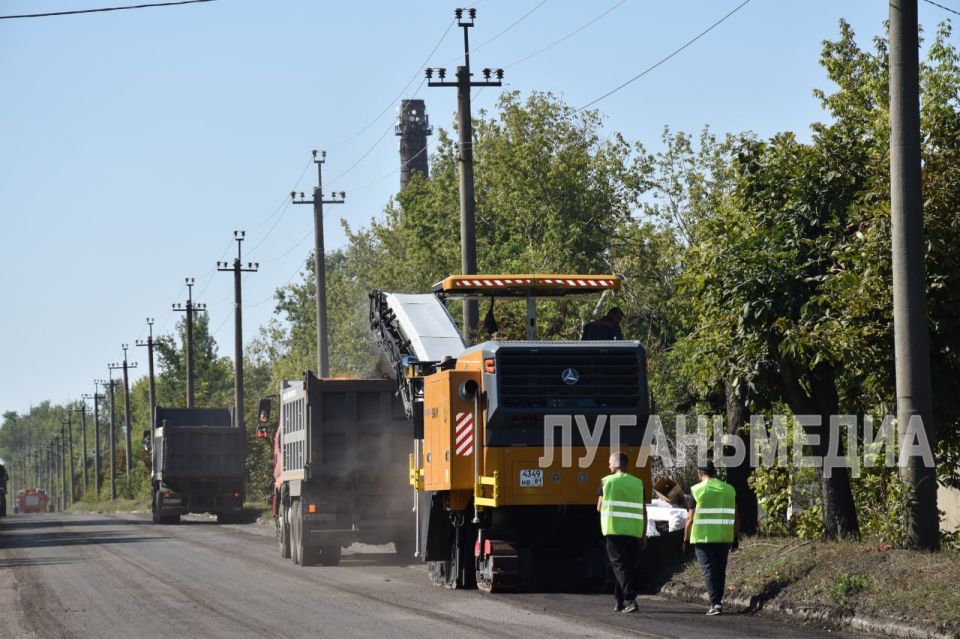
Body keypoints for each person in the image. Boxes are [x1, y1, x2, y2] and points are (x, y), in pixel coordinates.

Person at [684, 461, 739, 616]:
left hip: (703, 537)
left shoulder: (696, 490)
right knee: (720, 570)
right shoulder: (729, 489)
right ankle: (718, 602)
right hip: (724, 537)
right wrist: (735, 536)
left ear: (700, 473)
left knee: (709, 570)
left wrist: (685, 539)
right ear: (715, 472)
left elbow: (690, 518)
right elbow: (736, 514)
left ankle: (715, 603)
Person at [597, 452, 647, 613]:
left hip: (614, 529)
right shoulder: (638, 483)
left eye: (609, 462)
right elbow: (643, 510)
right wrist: (644, 534)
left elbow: (599, 507)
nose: (608, 465)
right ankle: (619, 601)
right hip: (633, 530)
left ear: (617, 464)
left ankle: (630, 599)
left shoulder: (606, 482)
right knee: (626, 566)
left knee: (619, 566)